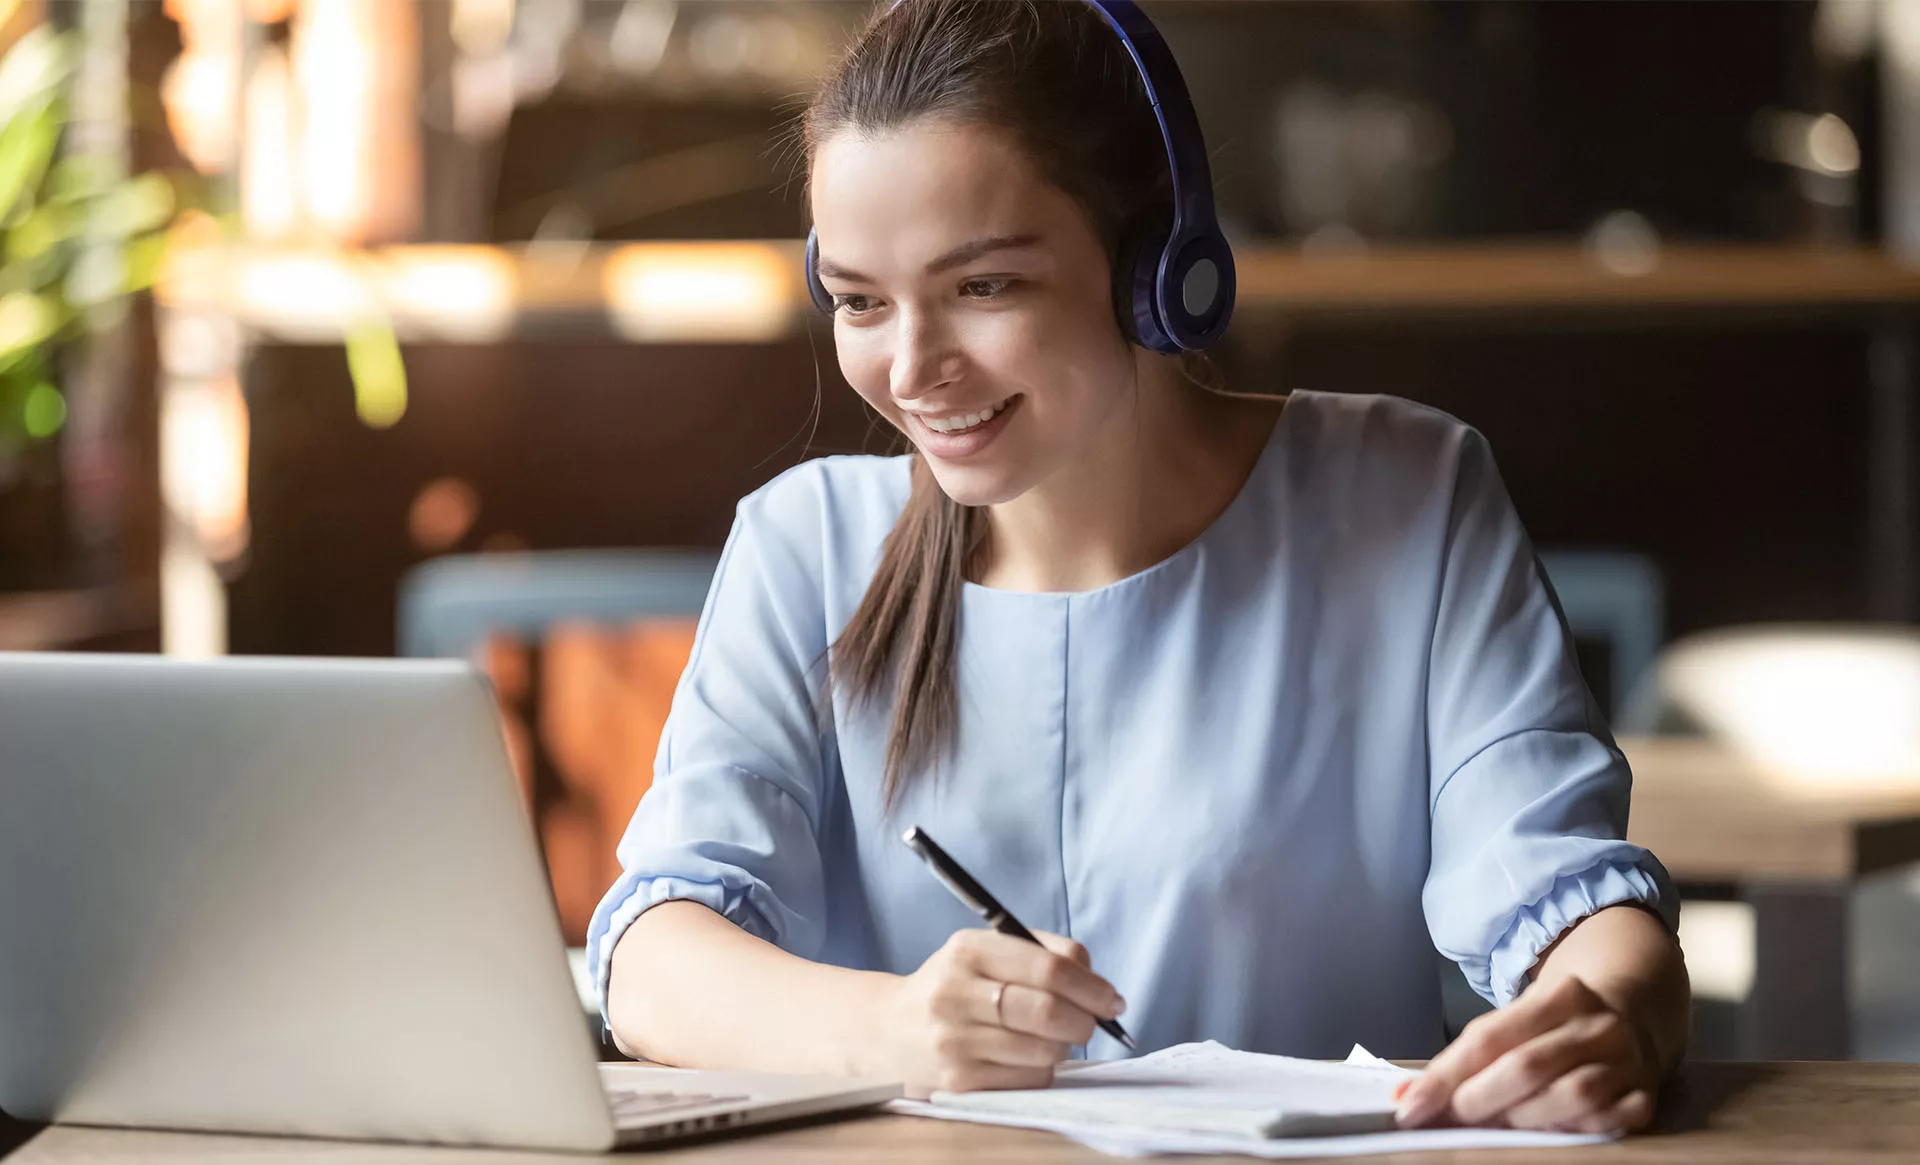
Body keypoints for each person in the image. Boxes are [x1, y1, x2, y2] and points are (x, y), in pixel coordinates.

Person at [588, 0, 1689, 1135]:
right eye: (861, 301)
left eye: (983, 287)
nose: (912, 369)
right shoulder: (805, 542)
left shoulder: (1406, 494)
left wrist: (1613, 1013)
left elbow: (1562, 891)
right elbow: (651, 960)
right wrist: (899, 1029)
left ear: (1157, 268)